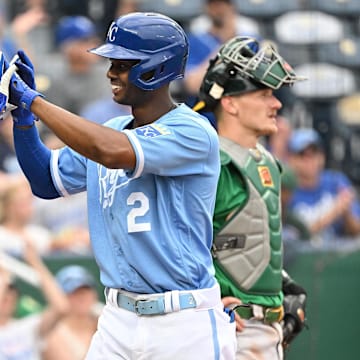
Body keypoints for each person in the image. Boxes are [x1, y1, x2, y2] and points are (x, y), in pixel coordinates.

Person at [1, 11, 236, 359]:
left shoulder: (193, 131)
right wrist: (23, 120)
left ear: (157, 67)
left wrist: (34, 100)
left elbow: (110, 152)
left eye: (123, 63)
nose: (111, 72)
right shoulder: (113, 128)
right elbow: (45, 180)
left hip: (182, 321)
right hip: (117, 319)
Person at [194, 36, 307, 358]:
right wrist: (205, 299)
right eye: (264, 94)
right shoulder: (209, 162)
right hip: (228, 328)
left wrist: (280, 283)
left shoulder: (264, 159)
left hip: (264, 329)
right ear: (230, 103)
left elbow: (242, 235)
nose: (277, 104)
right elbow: (176, 241)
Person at [287, 127, 360, 245]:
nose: (309, 160)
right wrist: (334, 212)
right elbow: (294, 239)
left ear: (322, 157)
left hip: (336, 254)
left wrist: (347, 214)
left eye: (314, 153)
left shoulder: (336, 181)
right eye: (302, 155)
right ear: (291, 159)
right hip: (302, 258)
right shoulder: (287, 190)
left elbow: (356, 231)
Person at [0, 239, 69, 359]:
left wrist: (35, 263)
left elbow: (61, 308)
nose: (8, 296)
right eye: (4, 293)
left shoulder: (26, 327)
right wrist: (4, 279)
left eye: (11, 292)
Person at [43, 265, 101, 360]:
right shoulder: (54, 335)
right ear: (61, 298)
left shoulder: (104, 325)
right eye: (74, 292)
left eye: (85, 291)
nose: (82, 297)